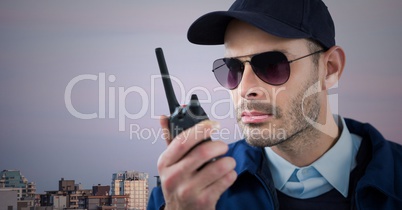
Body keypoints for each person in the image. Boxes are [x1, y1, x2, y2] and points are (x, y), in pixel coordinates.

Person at [148, 0, 402, 209]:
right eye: (233, 68)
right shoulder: (179, 197)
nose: (246, 89)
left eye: (271, 65)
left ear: (329, 68)